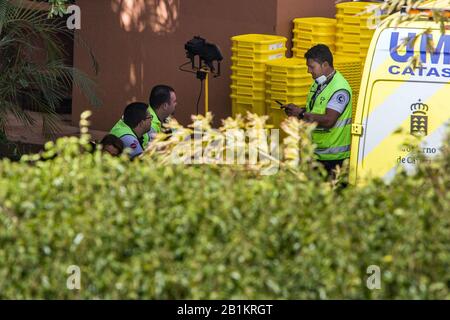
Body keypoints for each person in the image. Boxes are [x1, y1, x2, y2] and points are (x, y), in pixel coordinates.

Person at [283, 44, 352, 176]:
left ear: (325, 65)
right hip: (316, 154)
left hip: (334, 158)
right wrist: (298, 111)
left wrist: (301, 113)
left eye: (311, 67)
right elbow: (316, 110)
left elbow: (328, 120)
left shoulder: (340, 89)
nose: (309, 71)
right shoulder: (318, 83)